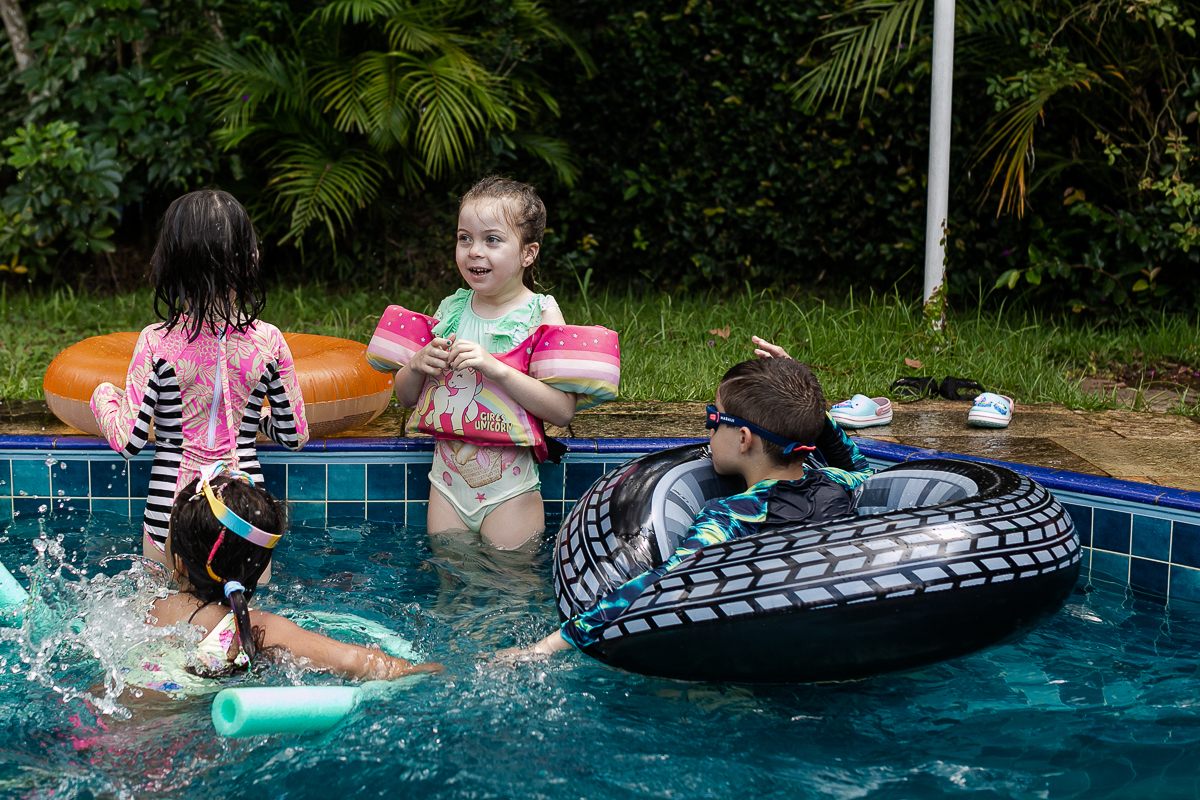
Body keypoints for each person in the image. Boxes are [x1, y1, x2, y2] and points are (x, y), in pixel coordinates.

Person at [505, 356, 874, 658]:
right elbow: (858, 465)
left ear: (743, 439)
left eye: (714, 418)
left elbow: (663, 584)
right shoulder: (841, 483)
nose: (708, 430)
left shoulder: (734, 516)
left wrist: (551, 644)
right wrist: (807, 410)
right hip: (844, 634)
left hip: (760, 650)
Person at [369, 176, 619, 550]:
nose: (474, 251)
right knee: (448, 582)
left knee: (510, 584)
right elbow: (406, 399)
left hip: (510, 495)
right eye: (464, 238)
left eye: (492, 240)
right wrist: (417, 365)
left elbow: (562, 411)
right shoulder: (450, 311)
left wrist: (497, 368)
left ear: (528, 253)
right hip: (446, 489)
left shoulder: (541, 315)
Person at [91, 190, 309, 567]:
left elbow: (129, 441)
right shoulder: (268, 342)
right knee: (247, 605)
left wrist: (103, 396)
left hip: (172, 513)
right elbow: (295, 436)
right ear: (249, 261)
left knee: (166, 604)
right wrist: (254, 419)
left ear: (171, 264)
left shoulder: (157, 342)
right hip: (246, 516)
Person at [121, 463, 441, 698]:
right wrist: (423, 670)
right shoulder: (256, 627)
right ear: (258, 569)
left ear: (177, 563)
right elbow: (354, 660)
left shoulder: (147, 607)